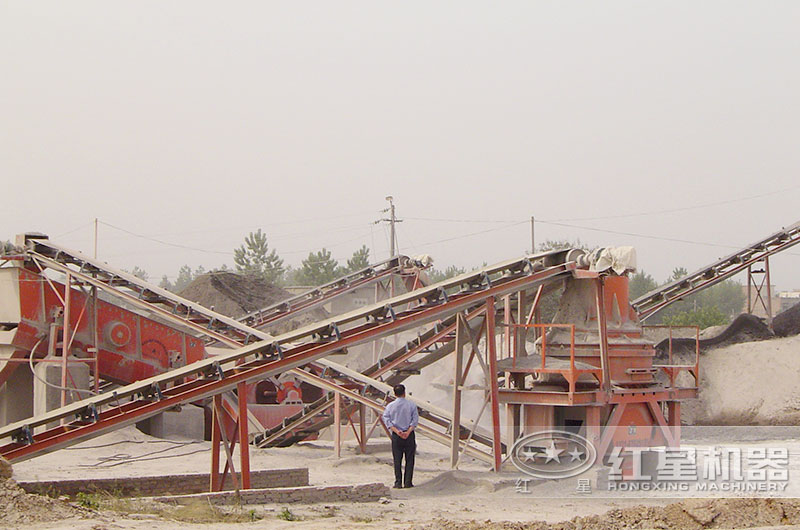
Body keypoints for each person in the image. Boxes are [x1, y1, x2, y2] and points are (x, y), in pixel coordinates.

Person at [381, 384, 419, 488]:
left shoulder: (390, 406)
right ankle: (408, 482)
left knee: (397, 460)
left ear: (394, 393)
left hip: (397, 435)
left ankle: (398, 482)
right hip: (409, 434)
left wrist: (397, 431)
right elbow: (414, 421)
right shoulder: (411, 405)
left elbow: (387, 420)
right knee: (409, 459)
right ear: (404, 392)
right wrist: (407, 432)